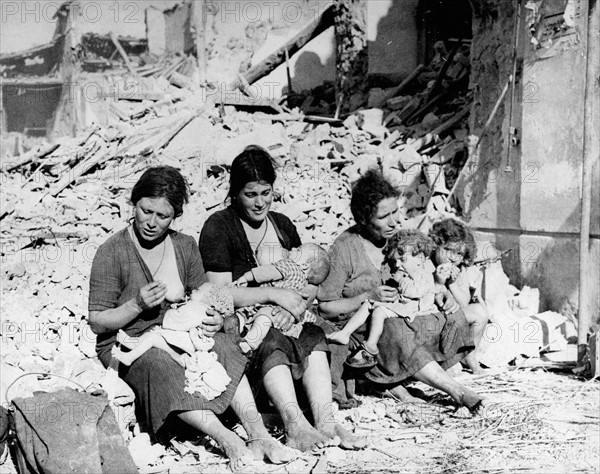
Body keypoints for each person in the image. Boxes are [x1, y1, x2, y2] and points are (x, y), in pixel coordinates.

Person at [88, 166, 294, 471]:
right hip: (129, 342)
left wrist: (216, 317)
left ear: (175, 217)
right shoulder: (113, 251)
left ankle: (258, 433)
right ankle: (228, 440)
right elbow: (97, 321)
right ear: (134, 205)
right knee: (160, 363)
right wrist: (136, 304)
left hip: (180, 328)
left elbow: (207, 294)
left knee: (224, 345)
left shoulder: (183, 246)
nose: (151, 222)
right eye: (146, 211)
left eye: (163, 216)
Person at [199, 145, 366, 452]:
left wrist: (297, 306)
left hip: (286, 317)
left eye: (266, 192)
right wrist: (274, 294)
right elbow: (217, 293)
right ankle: (294, 424)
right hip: (245, 325)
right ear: (235, 193)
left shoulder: (283, 226)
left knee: (313, 335)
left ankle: (325, 422)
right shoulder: (219, 228)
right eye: (251, 194)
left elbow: (311, 278)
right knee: (272, 339)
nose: (260, 202)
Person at [318, 169, 486, 411]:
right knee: (397, 331)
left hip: (401, 313)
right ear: (363, 219)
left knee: (448, 316)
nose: (394, 222)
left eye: (395, 212)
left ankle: (402, 377)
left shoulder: (399, 241)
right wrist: (367, 297)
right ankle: (457, 392)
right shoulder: (343, 250)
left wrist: (439, 290)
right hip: (364, 327)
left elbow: (423, 275)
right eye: (384, 217)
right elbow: (325, 307)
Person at [326, 230, 438, 369]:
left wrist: (401, 282)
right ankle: (345, 333)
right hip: (403, 305)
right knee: (368, 303)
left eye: (402, 260)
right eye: (396, 261)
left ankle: (371, 345)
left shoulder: (424, 275)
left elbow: (414, 292)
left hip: (415, 309)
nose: (397, 265)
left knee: (379, 312)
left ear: (420, 259)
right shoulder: (409, 273)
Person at [233, 242, 330, 353]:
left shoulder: (290, 266)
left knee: (262, 317)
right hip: (286, 313)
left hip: (271, 304)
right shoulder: (303, 281)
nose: (292, 248)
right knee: (266, 321)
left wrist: (247, 277)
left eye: (298, 250)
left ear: (305, 265)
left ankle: (250, 342)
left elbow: (269, 271)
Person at [429, 218, 491, 374]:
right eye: (449, 249)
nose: (453, 257)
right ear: (437, 244)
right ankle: (445, 360)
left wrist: (452, 283)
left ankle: (469, 355)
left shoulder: (460, 271)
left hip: (452, 321)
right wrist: (439, 281)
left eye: (459, 254)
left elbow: (464, 303)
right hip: (431, 322)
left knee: (480, 311)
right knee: (453, 372)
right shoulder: (426, 265)